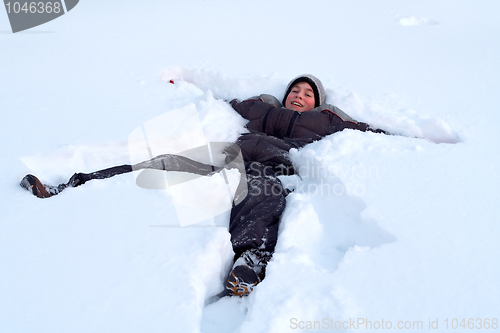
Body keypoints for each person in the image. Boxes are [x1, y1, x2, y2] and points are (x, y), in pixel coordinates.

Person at [20, 74, 385, 297]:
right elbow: (217, 99)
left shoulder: (327, 122)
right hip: (233, 153)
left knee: (264, 196)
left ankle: (250, 260)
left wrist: (432, 142)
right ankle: (70, 185)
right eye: (296, 90)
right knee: (160, 166)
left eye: (308, 93)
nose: (299, 96)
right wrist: (178, 83)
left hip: (276, 162)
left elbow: (373, 134)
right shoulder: (261, 108)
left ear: (317, 102)